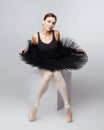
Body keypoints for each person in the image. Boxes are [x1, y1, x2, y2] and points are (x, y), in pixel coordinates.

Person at [20, 13, 88, 122]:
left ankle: (67, 106)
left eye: (53, 23)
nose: (51, 24)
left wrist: (76, 50)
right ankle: (35, 105)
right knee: (48, 74)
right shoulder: (35, 36)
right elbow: (33, 50)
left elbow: (60, 49)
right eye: (49, 21)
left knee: (56, 73)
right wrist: (26, 49)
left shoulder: (56, 34)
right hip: (43, 63)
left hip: (56, 62)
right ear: (43, 21)